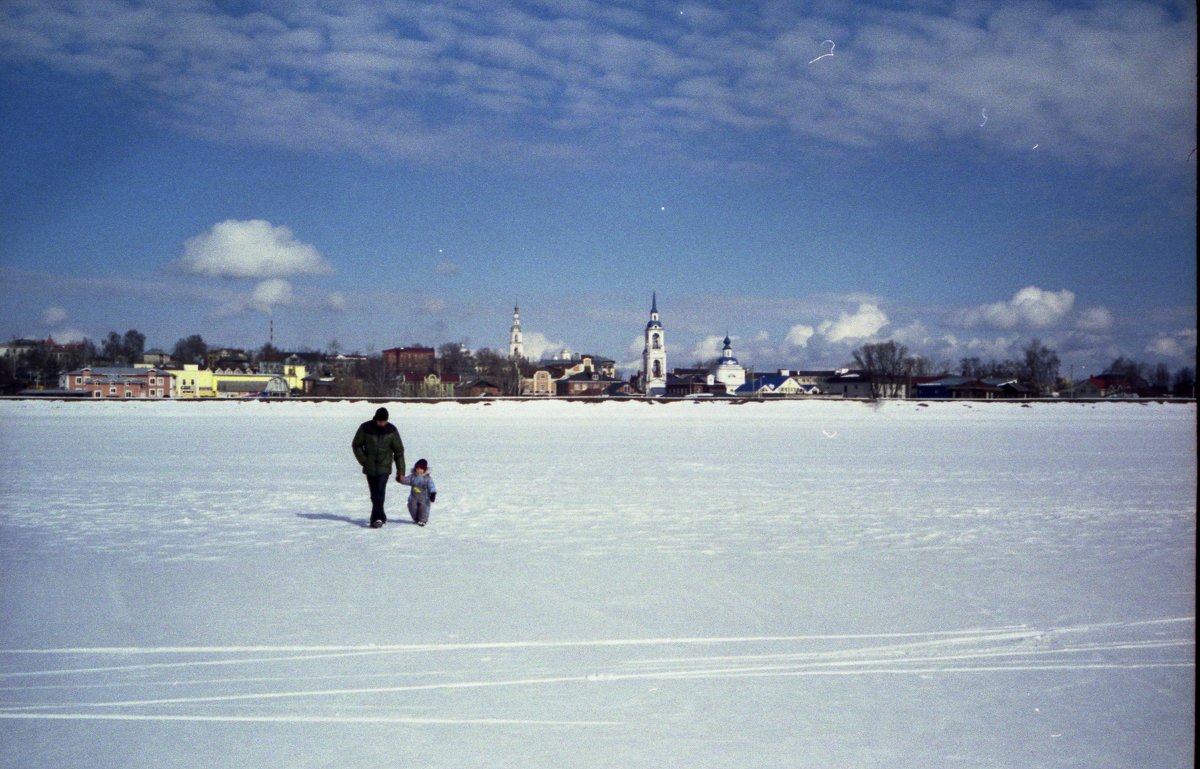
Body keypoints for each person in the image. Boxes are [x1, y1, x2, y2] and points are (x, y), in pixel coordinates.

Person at [351, 407, 405, 528]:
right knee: (374, 494)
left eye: (384, 421)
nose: (382, 423)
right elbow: (356, 445)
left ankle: (376, 518)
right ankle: (381, 514)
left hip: (384, 467)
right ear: (376, 419)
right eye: (380, 421)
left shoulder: (392, 430)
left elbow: (399, 452)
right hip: (369, 466)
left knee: (380, 490)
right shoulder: (365, 428)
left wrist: (400, 471)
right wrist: (364, 461)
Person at [398, 458, 437, 527]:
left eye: (421, 469)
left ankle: (422, 520)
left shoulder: (427, 478)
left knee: (423, 508)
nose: (419, 470)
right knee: (412, 507)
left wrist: (433, 493)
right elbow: (406, 480)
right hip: (413, 497)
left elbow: (431, 486)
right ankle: (416, 518)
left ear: (424, 470)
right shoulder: (412, 476)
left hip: (424, 497)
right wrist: (400, 479)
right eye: (417, 468)